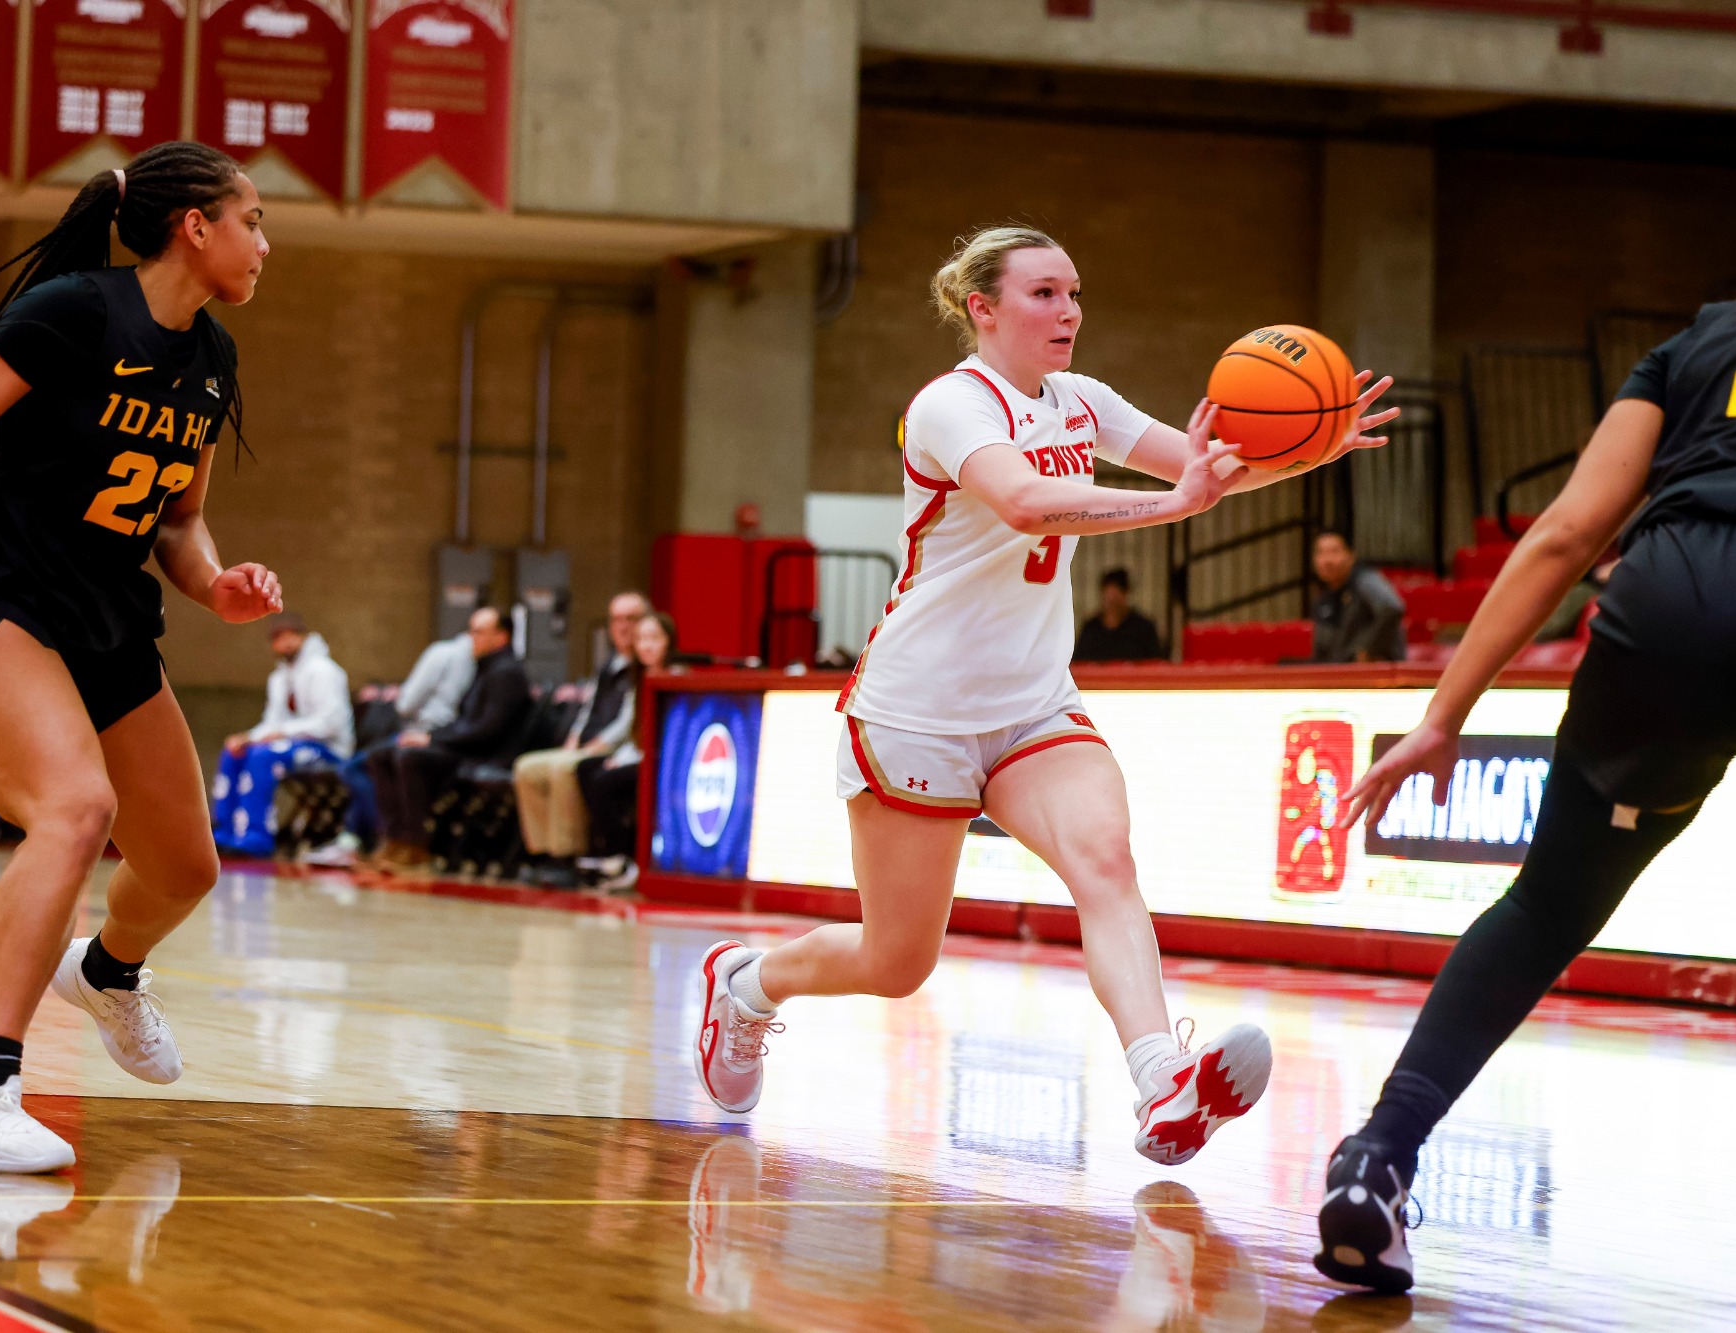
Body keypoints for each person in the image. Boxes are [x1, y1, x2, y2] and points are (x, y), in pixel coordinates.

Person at [691, 226, 1397, 1162]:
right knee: (896, 962)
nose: (1067, 312)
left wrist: (1313, 446)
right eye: (1043, 294)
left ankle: (1161, 1083)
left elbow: (1205, 472)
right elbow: (1028, 503)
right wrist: (1174, 504)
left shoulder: (1082, 400)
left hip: (1032, 704)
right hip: (919, 708)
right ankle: (746, 984)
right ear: (982, 309)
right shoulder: (949, 406)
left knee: (1105, 859)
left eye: (1074, 294)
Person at [1312, 175, 1736, 1294]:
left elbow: (1566, 531)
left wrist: (1443, 716)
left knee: (1544, 905)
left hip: (1661, 597)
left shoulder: (1698, 341)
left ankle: (1375, 1157)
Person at [0, 140, 280, 1173]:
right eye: (254, 220)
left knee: (184, 864)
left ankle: (107, 972)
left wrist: (214, 580)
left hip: (107, 614)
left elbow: (178, 524)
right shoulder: (75, 312)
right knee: (76, 809)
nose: (265, 244)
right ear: (197, 227)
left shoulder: (212, 361)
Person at [366, 606, 532, 869]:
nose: (470, 638)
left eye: (478, 632)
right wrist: (429, 735)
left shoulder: (506, 672)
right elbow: (463, 721)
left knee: (409, 757)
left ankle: (416, 843)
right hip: (467, 747)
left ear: (501, 637)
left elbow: (486, 730)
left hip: (486, 754)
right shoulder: (485, 667)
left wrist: (432, 740)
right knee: (381, 755)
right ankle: (393, 838)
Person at [512, 590, 649, 884]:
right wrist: (574, 736)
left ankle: (566, 855)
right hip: (587, 742)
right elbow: (589, 706)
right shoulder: (608, 664)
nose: (623, 626)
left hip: (615, 748)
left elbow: (628, 721)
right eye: (616, 620)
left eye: (631, 619)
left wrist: (598, 745)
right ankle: (541, 851)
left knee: (565, 769)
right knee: (527, 768)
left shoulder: (643, 666)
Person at [310, 627, 477, 864]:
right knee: (373, 765)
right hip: (446, 738)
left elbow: (407, 703)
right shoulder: (477, 662)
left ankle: (380, 837)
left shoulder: (442, 652)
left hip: (424, 734)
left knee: (355, 768)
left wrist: (403, 698)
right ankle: (366, 838)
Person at [212, 615, 353, 857]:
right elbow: (272, 722)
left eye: (291, 636)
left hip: (328, 750)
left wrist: (281, 733)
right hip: (289, 745)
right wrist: (249, 736)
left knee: (262, 756)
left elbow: (330, 723)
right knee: (235, 751)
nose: (285, 643)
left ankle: (256, 838)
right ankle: (225, 832)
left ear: (304, 637)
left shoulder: (324, 670)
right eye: (278, 638)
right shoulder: (278, 678)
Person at [576, 609, 677, 887]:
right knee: (586, 768)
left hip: (663, 761)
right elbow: (634, 730)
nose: (646, 645)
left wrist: (624, 760)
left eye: (654, 638)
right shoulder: (638, 679)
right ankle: (601, 849)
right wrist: (620, 757)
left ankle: (621, 855)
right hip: (639, 754)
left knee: (604, 783)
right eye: (641, 639)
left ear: (669, 642)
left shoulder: (675, 678)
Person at [1309, 530, 1406, 663]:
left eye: (1334, 552)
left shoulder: (1365, 580)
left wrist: (1365, 649)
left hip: (1376, 673)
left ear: (1351, 556)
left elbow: (1392, 608)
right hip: (1338, 673)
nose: (1327, 560)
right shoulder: (1323, 600)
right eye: (1320, 553)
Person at [1072, 568, 1164, 662]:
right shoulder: (1091, 629)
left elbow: (1155, 665)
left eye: (1115, 600)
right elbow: (1079, 664)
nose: (1112, 605)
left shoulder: (1143, 629)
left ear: (1125, 595)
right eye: (1108, 600)